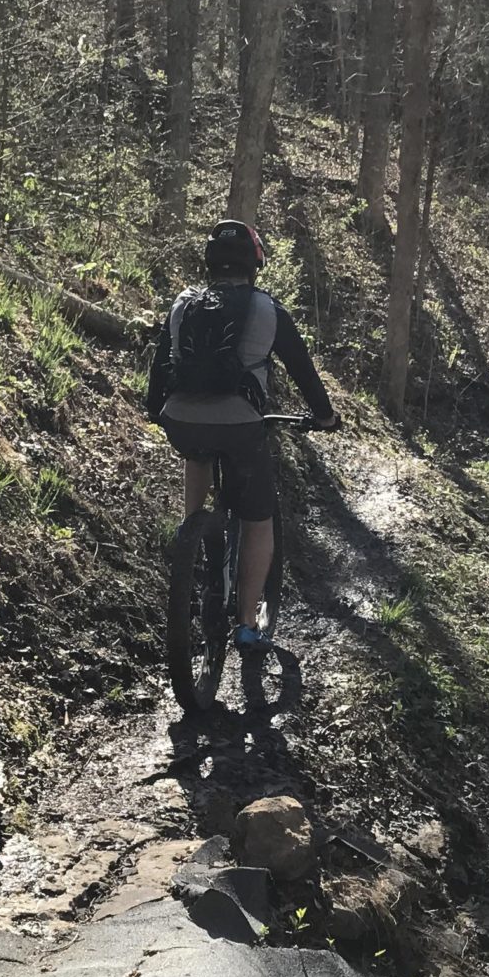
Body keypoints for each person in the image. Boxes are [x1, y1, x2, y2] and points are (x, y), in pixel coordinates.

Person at [146, 218, 339, 657]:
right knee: (259, 520)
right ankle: (248, 624)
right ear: (255, 264)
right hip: (241, 425)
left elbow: (161, 367)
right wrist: (324, 418)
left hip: (181, 420)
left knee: (196, 453)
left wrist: (157, 413)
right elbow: (303, 372)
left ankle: (191, 538)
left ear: (210, 263)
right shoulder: (268, 309)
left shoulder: (182, 304)